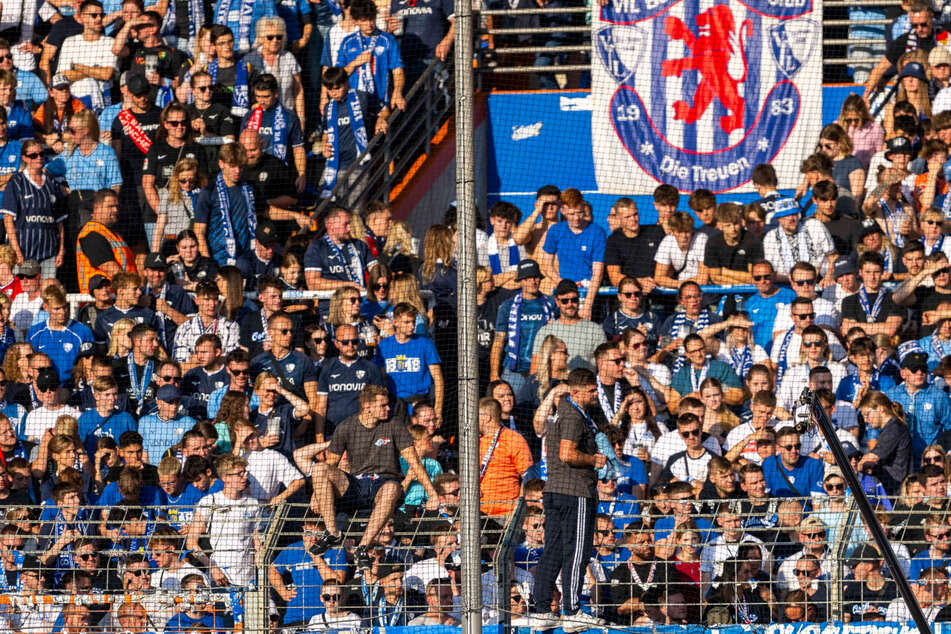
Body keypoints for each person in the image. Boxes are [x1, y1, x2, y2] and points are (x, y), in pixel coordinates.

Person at [309, 384, 437, 568]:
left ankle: (363, 546)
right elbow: (331, 464)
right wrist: (316, 495)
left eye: (388, 405)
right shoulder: (346, 427)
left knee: (393, 488)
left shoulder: (394, 424)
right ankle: (332, 532)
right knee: (320, 469)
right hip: (356, 484)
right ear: (367, 407)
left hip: (384, 483)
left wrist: (432, 493)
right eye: (383, 405)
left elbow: (414, 462)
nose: (388, 409)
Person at [527, 368, 607, 632]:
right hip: (576, 492)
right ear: (576, 392)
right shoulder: (573, 415)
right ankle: (572, 611)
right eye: (591, 390)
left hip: (554, 491)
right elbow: (566, 453)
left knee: (554, 550)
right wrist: (594, 460)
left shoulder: (563, 414)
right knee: (577, 552)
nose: (596, 394)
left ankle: (541, 611)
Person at [186, 454, 261, 586]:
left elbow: (257, 541)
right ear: (225, 478)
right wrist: (212, 567)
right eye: (239, 474)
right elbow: (191, 543)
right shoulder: (209, 502)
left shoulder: (253, 503)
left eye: (245, 472)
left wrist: (261, 573)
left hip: (248, 579)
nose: (245, 477)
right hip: (221, 579)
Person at [1, 140, 66, 279]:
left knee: (47, 293)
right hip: (24, 252)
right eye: (33, 155)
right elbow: (8, 220)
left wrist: (60, 251)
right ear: (24, 158)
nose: (39, 158)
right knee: (23, 294)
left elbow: (60, 222)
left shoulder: (52, 183)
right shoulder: (16, 182)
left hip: (49, 253)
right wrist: (17, 252)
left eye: (41, 154)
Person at [194, 142, 264, 267]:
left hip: (247, 255)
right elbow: (199, 232)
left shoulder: (249, 188)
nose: (237, 171)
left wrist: (296, 216)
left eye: (241, 167)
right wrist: (208, 263)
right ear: (221, 164)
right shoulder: (208, 192)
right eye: (232, 166)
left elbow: (265, 211)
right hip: (219, 259)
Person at [539, 189, 606, 319]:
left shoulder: (597, 232)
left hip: (588, 292)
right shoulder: (556, 231)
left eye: (580, 213)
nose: (576, 218)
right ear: (563, 210)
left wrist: (587, 305)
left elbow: (598, 272)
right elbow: (546, 264)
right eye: (572, 214)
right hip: (564, 294)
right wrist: (562, 284)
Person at [373, 302, 443, 417]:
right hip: (394, 405)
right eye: (407, 322)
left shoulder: (425, 344)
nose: (412, 326)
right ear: (395, 322)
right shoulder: (384, 345)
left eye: (413, 322)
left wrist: (438, 410)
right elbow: (380, 377)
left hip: (420, 405)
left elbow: (438, 379)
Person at [886, 348, 951, 463]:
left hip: (929, 460)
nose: (919, 373)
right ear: (903, 373)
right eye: (914, 369)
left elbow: (949, 427)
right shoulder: (891, 395)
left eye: (923, 369)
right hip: (899, 459)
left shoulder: (939, 396)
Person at [316, 323, 385, 432]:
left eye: (354, 342)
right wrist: (319, 437)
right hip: (334, 431)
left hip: (363, 432)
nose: (350, 346)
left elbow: (379, 403)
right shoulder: (328, 368)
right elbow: (321, 406)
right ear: (336, 344)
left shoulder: (371, 368)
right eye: (345, 342)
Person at [531, 279, 606, 372]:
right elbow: (535, 370)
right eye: (565, 301)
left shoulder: (595, 330)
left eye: (574, 300)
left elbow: (605, 367)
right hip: (553, 385)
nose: (570, 304)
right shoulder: (545, 332)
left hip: (585, 384)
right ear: (557, 302)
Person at [26, 285, 94, 384]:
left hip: (71, 388)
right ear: (46, 307)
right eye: (57, 309)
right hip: (43, 387)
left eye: (65, 307)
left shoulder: (82, 331)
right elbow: (29, 364)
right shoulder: (34, 332)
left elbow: (89, 365)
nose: (62, 312)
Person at [57, 0, 118, 111]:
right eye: (94, 15)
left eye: (101, 15)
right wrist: (95, 71)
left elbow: (107, 75)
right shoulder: (70, 42)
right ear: (82, 17)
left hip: (103, 99)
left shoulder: (110, 42)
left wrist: (78, 67)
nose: (99, 19)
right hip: (77, 100)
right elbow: (64, 75)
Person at [762, 198, 836, 284]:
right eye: (786, 215)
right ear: (779, 219)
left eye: (794, 214)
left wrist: (828, 276)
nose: (791, 218)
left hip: (821, 282)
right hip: (787, 286)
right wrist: (799, 280)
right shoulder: (770, 238)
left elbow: (833, 256)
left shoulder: (814, 225)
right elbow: (770, 273)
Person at [76, 189, 137, 294]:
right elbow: (112, 271)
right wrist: (134, 291)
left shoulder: (112, 233)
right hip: (103, 300)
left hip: (122, 296)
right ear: (96, 208)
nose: (115, 210)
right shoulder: (91, 234)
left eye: (116, 206)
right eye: (110, 206)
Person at [172, 279, 240, 363]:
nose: (212, 304)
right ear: (196, 300)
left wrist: (199, 359)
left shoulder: (231, 326)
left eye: (215, 299)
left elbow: (232, 361)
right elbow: (179, 365)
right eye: (207, 299)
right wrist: (215, 359)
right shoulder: (184, 329)